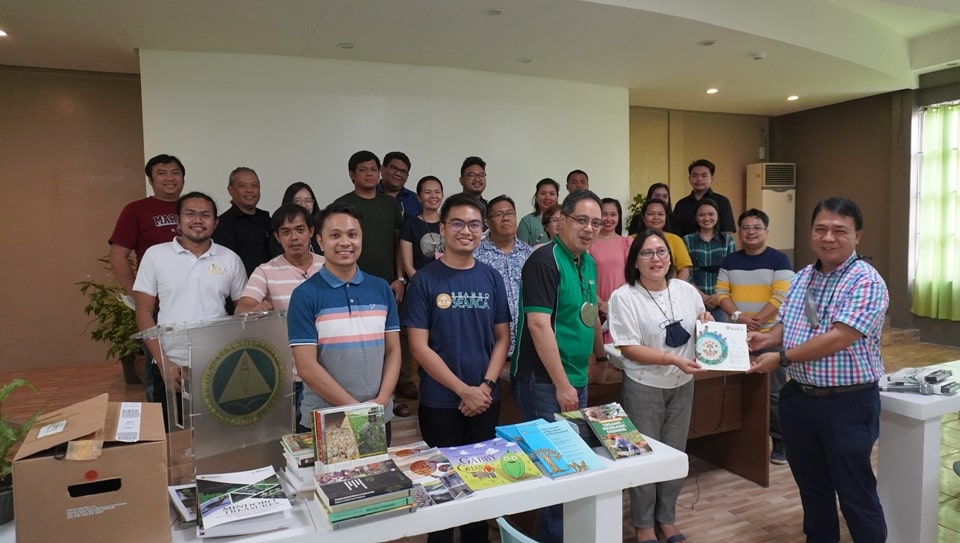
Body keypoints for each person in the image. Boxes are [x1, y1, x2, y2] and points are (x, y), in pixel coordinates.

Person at [747, 197, 888, 543]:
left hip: (848, 403)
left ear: (858, 236)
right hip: (800, 400)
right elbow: (790, 324)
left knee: (855, 492)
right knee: (813, 488)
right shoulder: (803, 277)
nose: (828, 237)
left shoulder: (866, 282)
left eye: (840, 230)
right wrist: (762, 340)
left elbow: (839, 337)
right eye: (821, 229)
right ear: (811, 233)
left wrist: (781, 359)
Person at [403, 193, 511, 543]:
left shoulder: (492, 278)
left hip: (485, 400)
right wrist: (463, 390)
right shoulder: (424, 281)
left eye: (474, 224)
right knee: (442, 495)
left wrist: (485, 387)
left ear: (483, 230)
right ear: (442, 228)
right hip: (440, 403)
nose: (467, 231)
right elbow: (419, 346)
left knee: (480, 491)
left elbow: (502, 339)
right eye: (458, 223)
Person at [512, 189, 608, 543]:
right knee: (557, 469)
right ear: (561, 221)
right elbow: (539, 325)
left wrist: (599, 357)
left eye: (596, 223)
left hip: (576, 376)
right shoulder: (543, 261)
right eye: (581, 220)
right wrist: (562, 384)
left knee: (572, 465)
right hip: (544, 382)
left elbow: (591, 315)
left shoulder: (589, 262)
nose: (589, 229)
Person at [608, 229, 710, 543]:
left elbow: (699, 325)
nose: (656, 259)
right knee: (642, 456)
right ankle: (643, 525)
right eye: (647, 253)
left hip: (683, 384)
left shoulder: (686, 290)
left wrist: (705, 319)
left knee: (674, 454)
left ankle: (666, 519)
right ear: (635, 260)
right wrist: (672, 360)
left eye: (662, 252)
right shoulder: (624, 296)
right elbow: (627, 347)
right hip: (644, 384)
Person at [287, 201, 402, 442]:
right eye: (335, 235)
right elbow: (306, 367)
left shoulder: (381, 288)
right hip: (328, 419)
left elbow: (393, 351)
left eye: (352, 234)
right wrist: (357, 410)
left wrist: (381, 402)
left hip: (379, 414)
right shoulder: (305, 295)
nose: (345, 242)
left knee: (380, 479)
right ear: (319, 241)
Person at [132, 192, 247, 428]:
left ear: (215, 222)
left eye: (205, 215)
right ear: (178, 220)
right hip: (169, 363)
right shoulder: (155, 255)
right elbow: (143, 312)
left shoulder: (230, 259)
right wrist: (164, 362)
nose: (198, 220)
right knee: (170, 436)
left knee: (218, 434)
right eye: (190, 214)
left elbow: (243, 309)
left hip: (217, 365)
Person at [235, 203, 325, 432]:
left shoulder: (329, 265)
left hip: (330, 371)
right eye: (286, 232)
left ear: (311, 231)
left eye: (299, 229)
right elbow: (242, 307)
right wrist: (255, 310)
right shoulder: (266, 271)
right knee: (293, 439)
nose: (294, 237)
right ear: (277, 236)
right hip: (290, 377)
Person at [333, 150, 410, 416]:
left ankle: (389, 398)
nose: (369, 174)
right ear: (352, 174)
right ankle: (356, 399)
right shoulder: (342, 204)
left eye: (373, 169)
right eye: (363, 169)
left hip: (386, 286)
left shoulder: (389, 204)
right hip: (351, 286)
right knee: (361, 343)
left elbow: (398, 242)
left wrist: (399, 278)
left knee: (389, 343)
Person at [715, 208, 794, 464]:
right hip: (734, 335)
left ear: (766, 232)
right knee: (735, 389)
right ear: (739, 232)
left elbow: (782, 295)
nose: (751, 232)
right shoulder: (730, 260)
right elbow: (721, 293)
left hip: (769, 336)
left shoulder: (779, 260)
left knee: (774, 393)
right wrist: (739, 317)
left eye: (756, 227)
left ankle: (781, 442)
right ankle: (739, 442)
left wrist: (758, 319)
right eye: (746, 228)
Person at [109, 153, 185, 401]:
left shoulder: (191, 207)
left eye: (175, 172)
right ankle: (162, 431)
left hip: (194, 307)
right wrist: (137, 295)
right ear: (151, 181)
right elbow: (118, 256)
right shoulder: (136, 210)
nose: (169, 178)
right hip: (157, 310)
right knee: (160, 374)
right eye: (161, 173)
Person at [474, 195, 534, 357]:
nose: (506, 218)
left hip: (527, 346)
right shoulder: (475, 256)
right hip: (489, 347)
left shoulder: (531, 256)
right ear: (487, 222)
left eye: (510, 213)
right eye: (499, 214)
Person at [213, 166, 275, 277]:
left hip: (272, 285)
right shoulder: (223, 224)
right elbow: (224, 265)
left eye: (254, 185)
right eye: (242, 186)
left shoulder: (267, 219)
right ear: (230, 190)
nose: (249, 190)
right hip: (241, 289)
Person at [683, 198, 737, 323]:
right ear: (696, 218)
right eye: (702, 215)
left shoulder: (728, 240)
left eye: (711, 214)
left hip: (721, 302)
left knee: (720, 337)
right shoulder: (687, 240)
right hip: (694, 301)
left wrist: (717, 296)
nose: (706, 218)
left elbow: (732, 272)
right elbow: (686, 273)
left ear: (718, 216)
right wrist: (700, 296)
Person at [587, 197, 632, 343]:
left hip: (622, 304)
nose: (608, 219)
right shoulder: (589, 243)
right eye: (604, 214)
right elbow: (583, 275)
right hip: (594, 303)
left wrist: (612, 304)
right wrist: (601, 304)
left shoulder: (627, 242)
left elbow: (632, 276)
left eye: (613, 214)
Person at [672, 159, 736, 237]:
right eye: (695, 175)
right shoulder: (681, 204)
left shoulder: (722, 202)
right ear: (689, 179)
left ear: (712, 179)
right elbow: (675, 234)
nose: (699, 179)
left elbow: (727, 232)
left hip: (717, 248)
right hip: (686, 247)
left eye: (704, 175)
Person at [638, 198, 693, 281]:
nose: (656, 217)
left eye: (661, 214)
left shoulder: (675, 240)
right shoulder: (632, 240)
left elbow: (685, 269)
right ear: (643, 217)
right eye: (651, 214)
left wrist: (674, 290)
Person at [400, 176, 444, 278]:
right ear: (419, 197)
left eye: (437, 192)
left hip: (448, 282)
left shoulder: (450, 223)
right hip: (420, 283)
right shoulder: (409, 225)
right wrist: (421, 284)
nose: (433, 196)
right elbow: (407, 265)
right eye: (428, 192)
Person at [273, 182, 321, 254]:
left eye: (308, 200)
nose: (303, 205)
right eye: (298, 201)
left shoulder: (322, 228)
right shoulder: (280, 231)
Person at [378, 151, 422, 220]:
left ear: (407, 177)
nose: (398, 173)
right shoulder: (368, 195)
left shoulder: (416, 200)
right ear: (382, 169)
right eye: (394, 168)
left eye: (403, 171)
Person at [517, 178, 560, 245]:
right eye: (543, 193)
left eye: (552, 194)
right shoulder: (527, 221)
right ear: (536, 197)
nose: (547, 197)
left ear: (557, 197)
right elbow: (522, 252)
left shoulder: (566, 218)